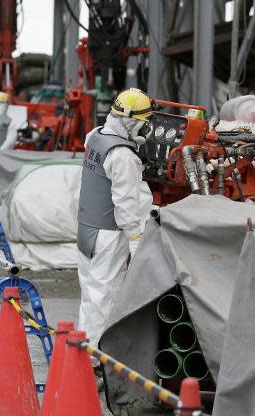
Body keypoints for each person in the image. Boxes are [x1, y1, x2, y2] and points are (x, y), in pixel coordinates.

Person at [76, 88, 154, 346]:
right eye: (142, 123)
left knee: (91, 294)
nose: (143, 129)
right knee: (105, 297)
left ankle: (84, 350)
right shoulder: (122, 155)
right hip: (109, 236)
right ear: (131, 121)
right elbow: (126, 204)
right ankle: (97, 359)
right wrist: (136, 241)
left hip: (87, 228)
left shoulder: (94, 137)